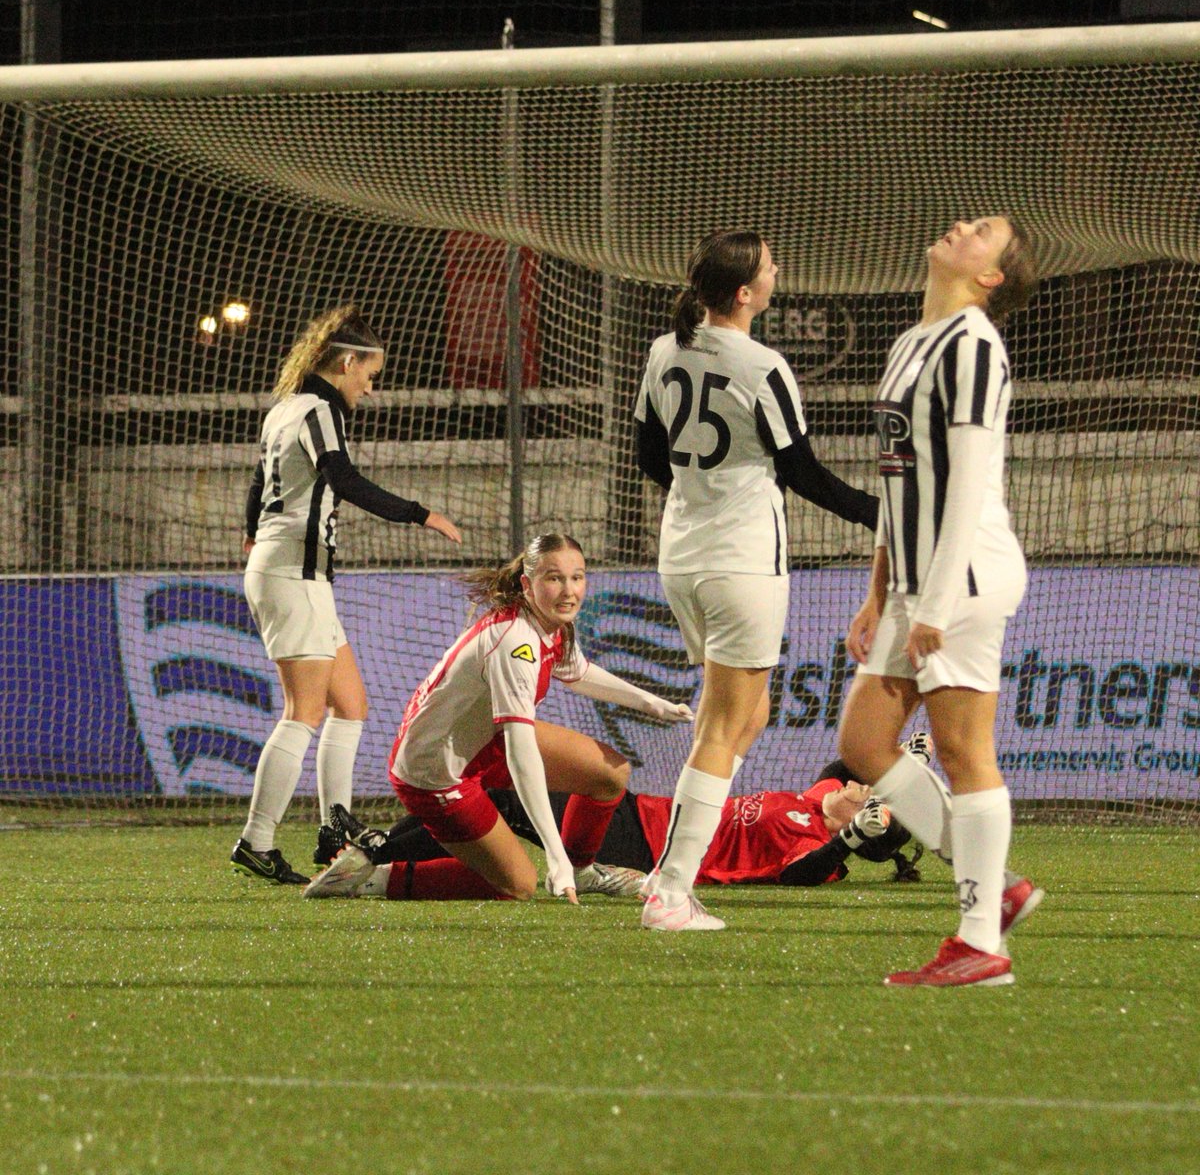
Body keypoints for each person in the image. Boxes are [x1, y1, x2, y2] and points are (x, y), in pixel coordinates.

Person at [633, 229, 880, 930]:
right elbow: (801, 472)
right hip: (741, 559)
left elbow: (651, 454)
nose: (778, 269)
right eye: (771, 264)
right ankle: (670, 889)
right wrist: (877, 515)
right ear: (745, 293)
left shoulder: (662, 350)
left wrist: (703, 495)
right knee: (726, 721)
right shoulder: (760, 363)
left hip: (683, 553)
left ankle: (674, 868)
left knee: (749, 714)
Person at [838, 216, 1043, 986]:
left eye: (982, 231)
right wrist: (879, 588)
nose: (962, 227)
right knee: (863, 740)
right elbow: (900, 481)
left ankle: (980, 939)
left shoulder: (973, 344)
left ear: (991, 276)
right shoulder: (909, 343)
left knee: (962, 751)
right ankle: (998, 887)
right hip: (916, 583)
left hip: (966, 576)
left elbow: (966, 483)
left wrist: (935, 603)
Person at [312, 532, 694, 904]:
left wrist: (652, 703)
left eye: (577, 578)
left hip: (482, 740)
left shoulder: (550, 624)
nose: (569, 590)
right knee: (518, 885)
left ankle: (582, 871)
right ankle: (369, 878)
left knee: (609, 772)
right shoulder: (517, 642)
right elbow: (521, 756)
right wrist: (552, 853)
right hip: (436, 771)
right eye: (554, 578)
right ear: (527, 584)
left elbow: (579, 673)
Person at [232, 305, 463, 884]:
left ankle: (335, 824)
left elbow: (259, 481)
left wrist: (252, 533)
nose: (370, 385)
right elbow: (345, 480)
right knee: (302, 713)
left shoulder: (286, 408)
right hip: (293, 574)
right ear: (346, 361)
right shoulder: (319, 409)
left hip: (292, 572)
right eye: (369, 372)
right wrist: (421, 514)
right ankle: (257, 841)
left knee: (351, 703)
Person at [302, 736, 930, 904]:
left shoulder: (815, 849)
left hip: (644, 845)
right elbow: (846, 756)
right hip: (642, 813)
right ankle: (375, 857)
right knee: (507, 801)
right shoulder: (820, 794)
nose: (857, 783)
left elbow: (801, 876)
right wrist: (904, 765)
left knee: (513, 806)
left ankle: (375, 855)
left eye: (870, 796)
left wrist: (848, 839)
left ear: (867, 825)